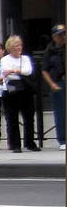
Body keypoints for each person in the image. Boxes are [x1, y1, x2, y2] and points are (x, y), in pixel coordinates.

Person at [1, 35, 41, 153]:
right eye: (16, 46)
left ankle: (30, 142)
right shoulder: (5, 60)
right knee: (12, 118)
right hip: (11, 91)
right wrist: (19, 72)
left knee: (29, 117)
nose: (19, 47)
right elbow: (6, 74)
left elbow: (28, 71)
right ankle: (16, 144)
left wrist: (13, 70)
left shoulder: (26, 58)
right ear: (10, 47)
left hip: (26, 91)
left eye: (20, 45)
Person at [41, 23, 65, 151]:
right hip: (58, 82)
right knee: (61, 113)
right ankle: (63, 139)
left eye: (64, 34)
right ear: (54, 37)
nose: (62, 37)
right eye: (60, 35)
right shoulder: (50, 51)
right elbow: (44, 70)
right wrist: (52, 84)